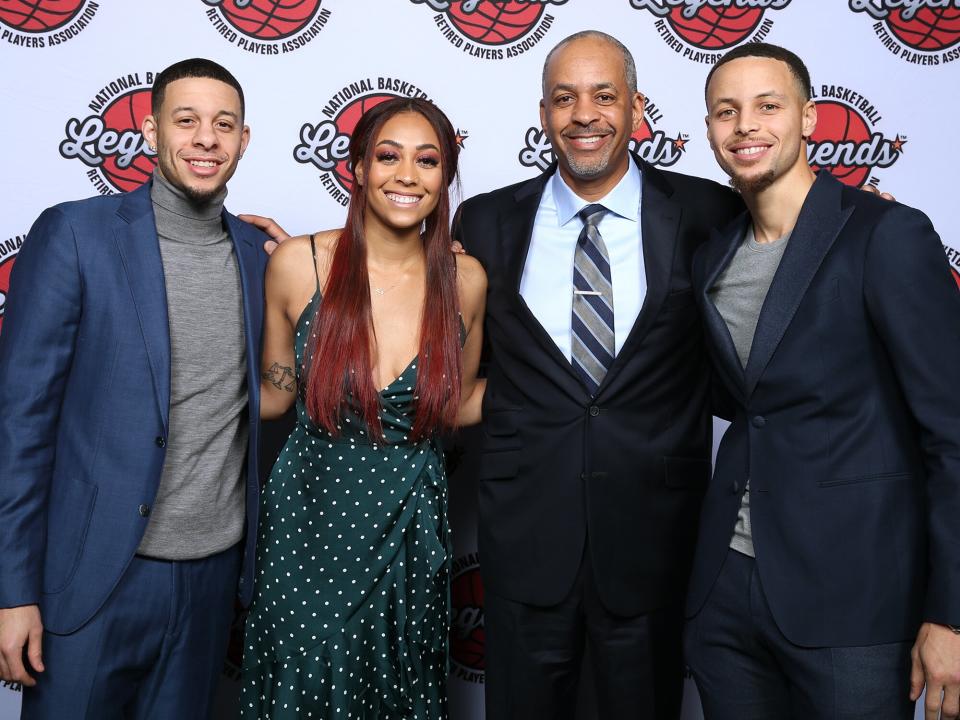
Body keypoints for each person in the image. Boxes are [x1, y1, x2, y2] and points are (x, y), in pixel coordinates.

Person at [451, 31, 744, 719]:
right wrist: (309, 259)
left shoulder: (707, 215)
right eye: (565, 98)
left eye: (604, 95)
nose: (585, 114)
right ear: (545, 113)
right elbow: (422, 312)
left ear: (637, 108)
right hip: (526, 541)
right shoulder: (487, 221)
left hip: (654, 539)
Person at [683, 42, 960, 720]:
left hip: (854, 598)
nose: (745, 125)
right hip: (727, 594)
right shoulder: (713, 256)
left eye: (767, 106)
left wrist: (951, 613)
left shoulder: (886, 234)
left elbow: (952, 434)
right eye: (726, 111)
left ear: (809, 119)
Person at [0, 58, 270, 718]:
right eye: (186, 120)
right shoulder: (74, 234)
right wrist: (12, 591)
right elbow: (20, 424)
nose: (206, 138)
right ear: (149, 131)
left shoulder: (261, 259)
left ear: (243, 140)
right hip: (91, 579)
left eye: (223, 124)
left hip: (211, 582)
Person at [240, 97, 486, 719]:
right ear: (355, 168)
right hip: (308, 525)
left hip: (409, 528)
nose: (407, 175)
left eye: (427, 160)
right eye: (388, 156)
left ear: (445, 177)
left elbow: (452, 405)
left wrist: (567, 386)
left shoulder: (467, 282)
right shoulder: (300, 264)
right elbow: (274, 393)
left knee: (393, 693)